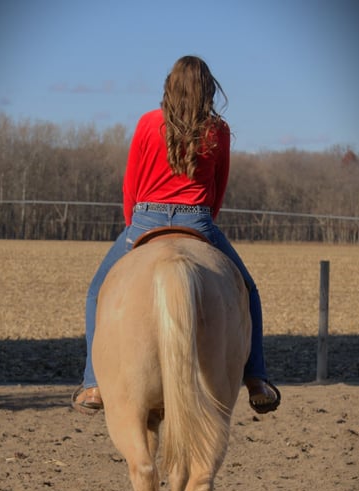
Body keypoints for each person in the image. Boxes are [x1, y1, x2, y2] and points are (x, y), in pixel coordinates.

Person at [72, 55, 280, 416]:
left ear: (170, 85)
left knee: (96, 291)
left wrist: (134, 228)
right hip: (197, 221)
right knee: (248, 291)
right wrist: (204, 227)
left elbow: (130, 185)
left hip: (144, 220)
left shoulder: (147, 122)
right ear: (208, 89)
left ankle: (93, 384)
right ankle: (256, 379)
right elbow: (218, 190)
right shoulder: (218, 130)